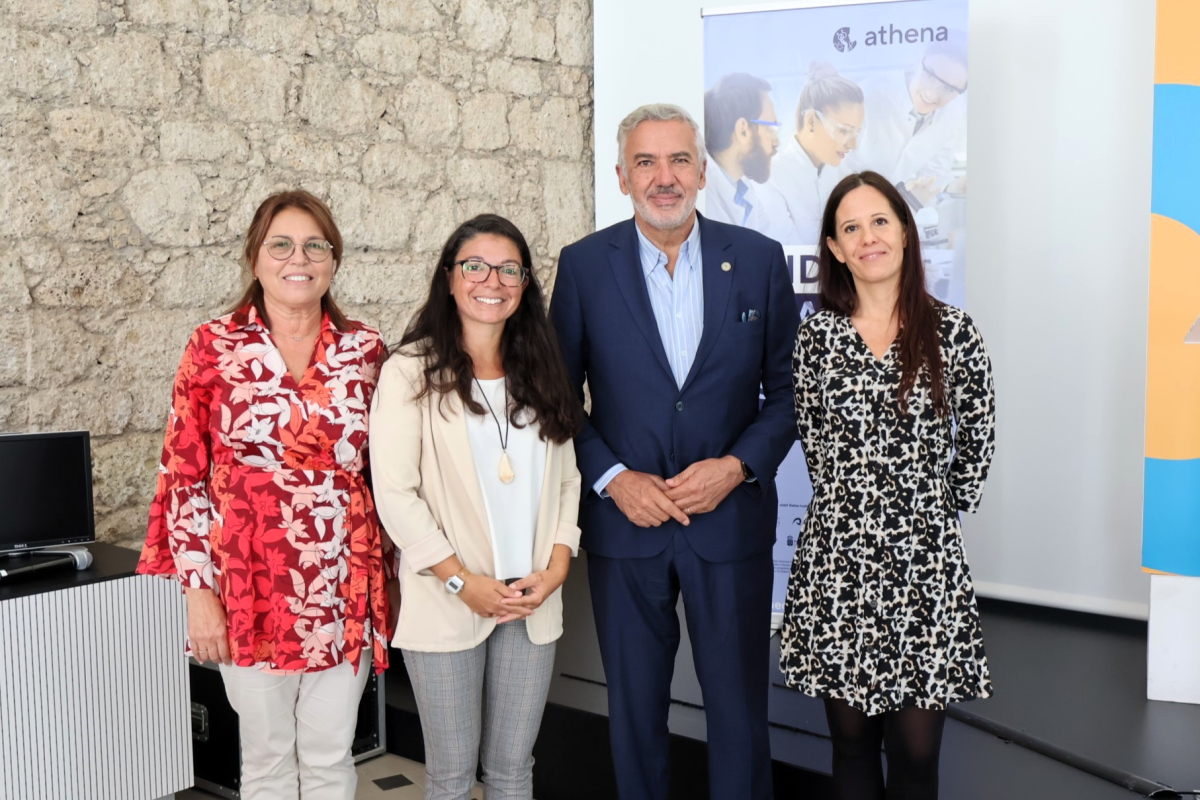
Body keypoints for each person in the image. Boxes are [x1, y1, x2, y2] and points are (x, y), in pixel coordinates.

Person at [550, 104, 800, 800]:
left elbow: (785, 394)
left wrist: (737, 466)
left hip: (730, 523)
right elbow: (559, 397)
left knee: (740, 714)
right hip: (627, 528)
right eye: (647, 163)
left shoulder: (756, 260)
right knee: (633, 714)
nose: (665, 178)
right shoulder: (582, 267)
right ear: (623, 176)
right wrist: (611, 478)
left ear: (701, 168)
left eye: (679, 160)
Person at [137, 189, 397, 800]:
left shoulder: (365, 350)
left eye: (315, 245)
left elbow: (385, 472)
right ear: (255, 258)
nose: (297, 258)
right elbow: (182, 476)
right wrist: (199, 594)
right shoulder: (213, 346)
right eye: (280, 244)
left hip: (341, 586)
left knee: (332, 757)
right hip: (245, 587)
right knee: (267, 761)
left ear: (333, 261)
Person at [779, 171, 996, 799]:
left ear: (904, 231)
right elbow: (815, 445)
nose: (868, 237)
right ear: (837, 249)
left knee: (917, 753)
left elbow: (976, 446)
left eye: (880, 222)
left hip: (924, 570)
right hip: (839, 563)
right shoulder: (816, 338)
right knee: (849, 748)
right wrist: (858, 508)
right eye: (851, 228)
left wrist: (925, 515)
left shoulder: (954, 332)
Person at [369, 214, 583, 800]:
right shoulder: (409, 372)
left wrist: (559, 567)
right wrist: (464, 582)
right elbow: (395, 494)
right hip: (447, 599)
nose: (493, 280)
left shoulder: (541, 372)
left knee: (514, 769)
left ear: (525, 283)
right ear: (449, 278)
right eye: (475, 266)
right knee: (452, 774)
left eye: (509, 268)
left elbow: (568, 480)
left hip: (531, 600)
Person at [848, 37, 969, 206]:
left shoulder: (954, 111)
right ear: (918, 61)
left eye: (949, 89)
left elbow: (932, 175)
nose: (933, 95)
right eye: (931, 76)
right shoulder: (866, 98)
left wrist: (952, 187)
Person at [758, 62, 865, 245]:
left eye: (856, 132)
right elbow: (786, 256)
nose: (853, 144)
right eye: (845, 131)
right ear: (812, 122)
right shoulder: (770, 178)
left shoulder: (848, 175)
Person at [702, 72, 785, 239]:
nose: (776, 142)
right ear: (743, 130)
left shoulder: (744, 191)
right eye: (771, 129)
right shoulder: (702, 196)